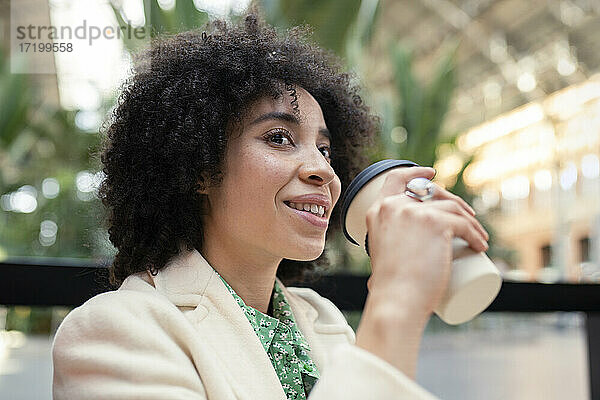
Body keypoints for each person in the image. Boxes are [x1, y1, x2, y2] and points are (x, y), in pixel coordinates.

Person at [52, 12, 488, 400]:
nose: (323, 171)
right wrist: (397, 299)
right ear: (199, 166)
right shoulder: (113, 333)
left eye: (325, 150)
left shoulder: (322, 318)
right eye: (279, 137)